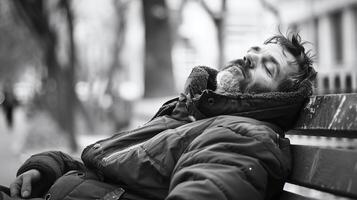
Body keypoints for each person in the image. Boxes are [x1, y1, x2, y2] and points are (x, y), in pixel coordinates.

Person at [1, 32, 316, 200]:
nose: (250, 57)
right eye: (255, 51)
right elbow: (101, 170)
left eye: (267, 66)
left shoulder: (244, 137)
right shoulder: (192, 115)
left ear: (277, 98)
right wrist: (50, 167)